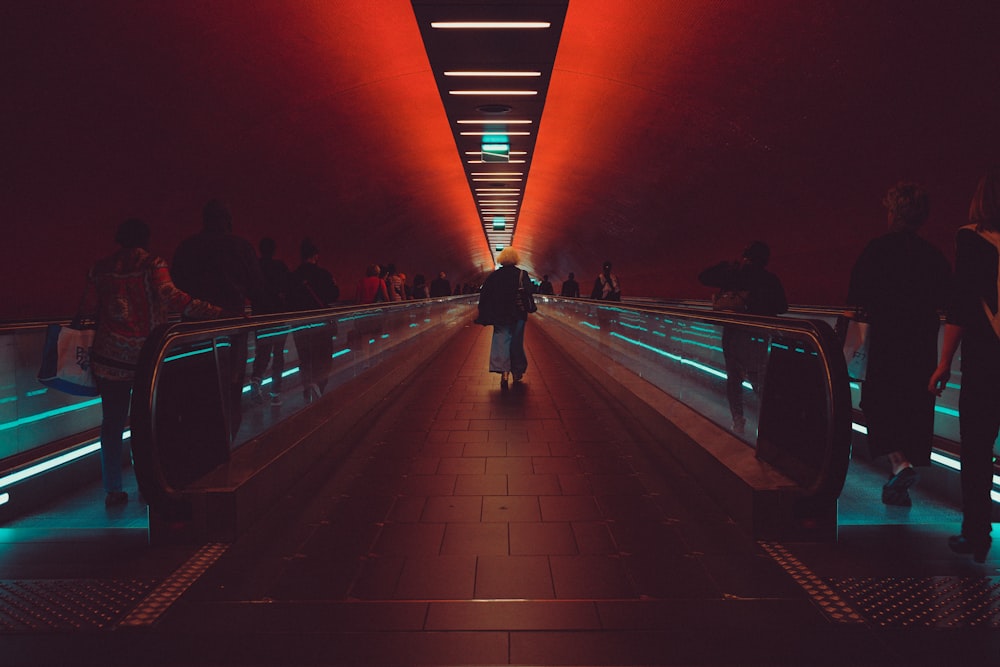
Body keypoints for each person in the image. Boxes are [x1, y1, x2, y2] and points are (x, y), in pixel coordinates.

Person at [77, 218, 223, 507]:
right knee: (147, 423)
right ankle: (150, 482)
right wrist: (214, 311)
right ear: (146, 238)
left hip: (107, 357)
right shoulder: (153, 265)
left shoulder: (100, 268)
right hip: (146, 357)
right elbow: (173, 298)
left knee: (112, 423)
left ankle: (113, 489)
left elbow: (93, 307)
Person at [848, 182, 951, 507]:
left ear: (894, 213)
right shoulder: (934, 257)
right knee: (912, 410)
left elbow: (855, 300)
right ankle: (899, 482)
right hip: (921, 348)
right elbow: (948, 303)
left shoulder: (877, 250)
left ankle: (899, 464)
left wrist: (847, 343)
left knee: (877, 406)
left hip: (885, 345)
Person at [929, 168, 1000, 563]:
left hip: (986, 359)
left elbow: (961, 303)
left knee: (975, 447)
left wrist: (944, 362)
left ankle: (976, 534)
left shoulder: (969, 238)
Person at [171, 199, 264, 437]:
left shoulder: (187, 247)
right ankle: (225, 444)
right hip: (231, 328)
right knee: (231, 390)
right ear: (229, 221)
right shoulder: (241, 247)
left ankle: (199, 440)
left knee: (197, 389)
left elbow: (176, 288)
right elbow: (256, 288)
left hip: (193, 329)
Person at [699, 241, 787, 435]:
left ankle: (738, 420)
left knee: (734, 379)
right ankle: (768, 424)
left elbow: (703, 277)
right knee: (758, 379)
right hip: (759, 336)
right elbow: (783, 307)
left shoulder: (735, 275)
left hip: (734, 335)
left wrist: (725, 265)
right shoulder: (770, 279)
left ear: (746, 256)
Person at [288, 238, 340, 403]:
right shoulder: (324, 274)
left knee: (305, 357)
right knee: (323, 357)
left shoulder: (293, 276)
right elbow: (333, 295)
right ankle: (319, 385)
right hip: (321, 324)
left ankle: (307, 386)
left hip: (300, 324)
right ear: (316, 256)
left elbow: (288, 300)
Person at [475, 247, 535, 388]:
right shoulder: (522, 274)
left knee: (501, 342)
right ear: (516, 259)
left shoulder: (494, 276)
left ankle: (504, 373)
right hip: (518, 314)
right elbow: (530, 291)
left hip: (499, 315)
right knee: (516, 342)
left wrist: (483, 313)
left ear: (501, 259)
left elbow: (484, 295)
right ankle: (517, 371)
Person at [250, 237, 291, 406]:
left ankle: (256, 379)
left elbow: (249, 289)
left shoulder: (255, 267)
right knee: (278, 355)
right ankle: (275, 393)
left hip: (261, 316)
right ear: (274, 250)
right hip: (278, 316)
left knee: (262, 352)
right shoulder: (280, 267)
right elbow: (289, 287)